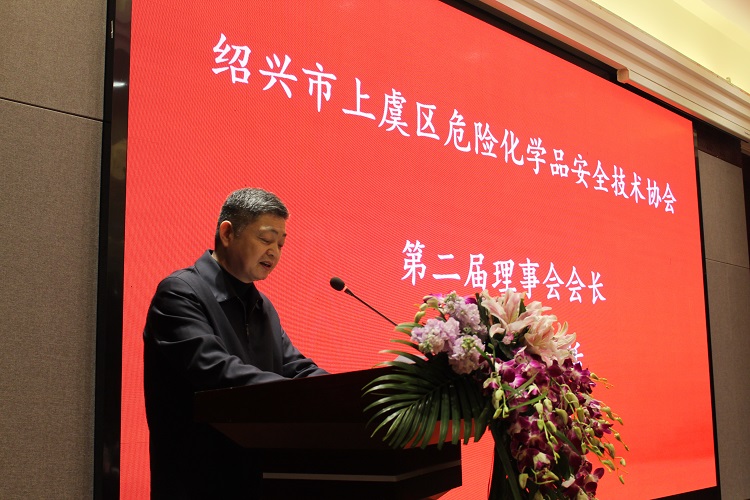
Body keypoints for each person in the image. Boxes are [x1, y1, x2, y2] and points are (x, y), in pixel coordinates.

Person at [143, 187, 328, 499]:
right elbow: (219, 372)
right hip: (198, 483)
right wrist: (305, 395)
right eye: (266, 239)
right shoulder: (179, 294)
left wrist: (346, 394)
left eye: (281, 244)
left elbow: (296, 368)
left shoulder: (262, 306)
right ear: (227, 233)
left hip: (258, 480)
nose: (275, 252)